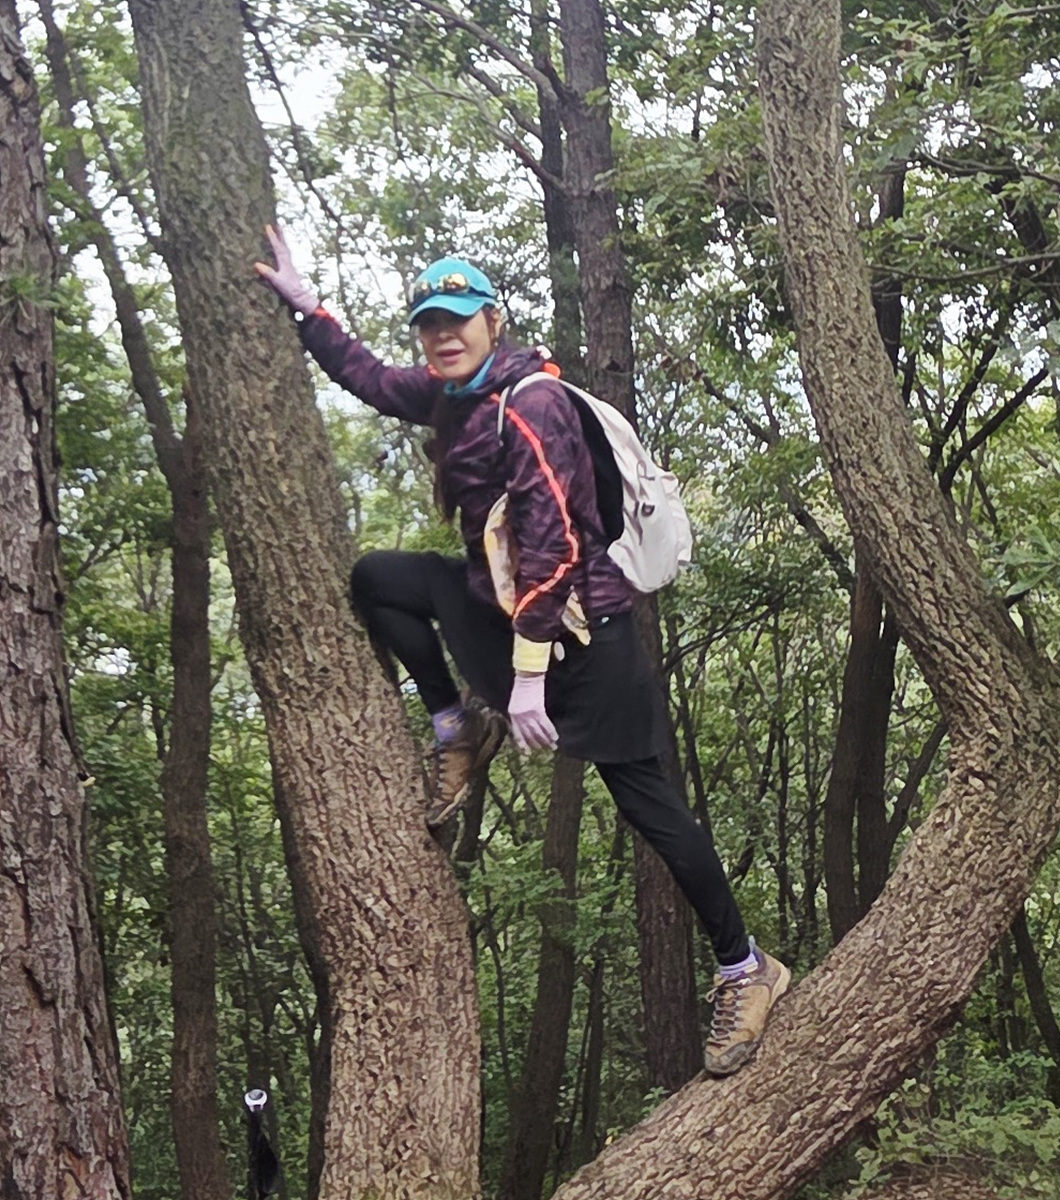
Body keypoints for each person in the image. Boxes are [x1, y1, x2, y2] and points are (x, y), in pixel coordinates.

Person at [254, 226, 790, 1076]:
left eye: (458, 320)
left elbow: (553, 547)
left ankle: (744, 968)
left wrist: (529, 680)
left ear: (492, 322)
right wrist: (308, 308)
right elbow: (371, 380)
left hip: (585, 634)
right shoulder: (451, 395)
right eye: (429, 324)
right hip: (505, 614)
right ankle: (455, 726)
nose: (443, 335)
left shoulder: (529, 403)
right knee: (381, 579)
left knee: (651, 809)